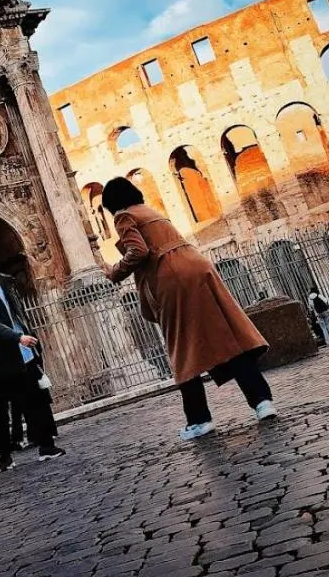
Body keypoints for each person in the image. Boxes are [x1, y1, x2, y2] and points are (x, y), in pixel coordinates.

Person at [100, 176, 276, 441]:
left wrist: (114, 271)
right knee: (228, 339)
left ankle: (199, 419)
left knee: (181, 348)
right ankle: (262, 403)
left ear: (112, 203)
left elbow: (138, 251)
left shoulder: (124, 216)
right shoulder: (151, 211)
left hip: (173, 278)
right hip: (198, 267)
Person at [0, 255, 65, 470]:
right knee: (0, 410)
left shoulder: (3, 282)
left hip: (22, 353)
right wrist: (17, 337)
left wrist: (27, 335)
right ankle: (4, 457)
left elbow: (17, 313)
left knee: (36, 399)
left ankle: (46, 446)